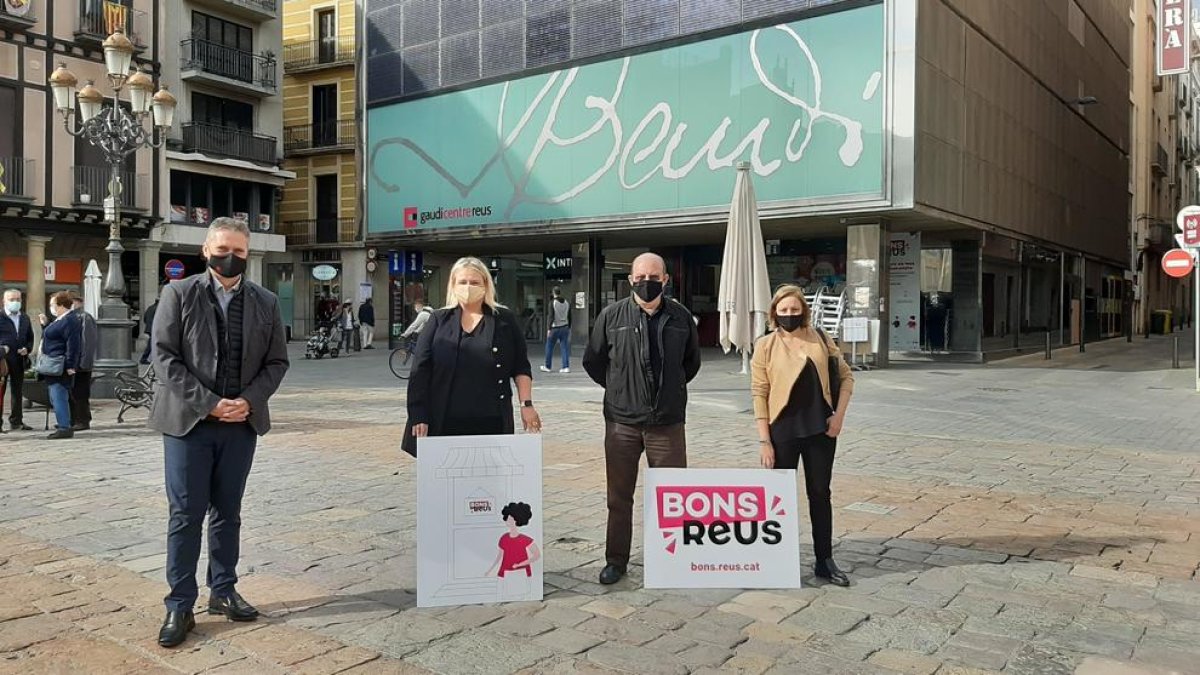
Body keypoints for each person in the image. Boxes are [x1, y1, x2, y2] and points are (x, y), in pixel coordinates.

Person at [149, 218, 289, 648]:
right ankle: (180, 603)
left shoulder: (265, 301)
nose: (232, 257)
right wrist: (210, 403)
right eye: (225, 248)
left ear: (248, 255)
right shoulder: (179, 293)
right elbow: (164, 357)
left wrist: (248, 400)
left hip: (240, 425)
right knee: (185, 514)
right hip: (189, 424)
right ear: (207, 250)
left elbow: (277, 363)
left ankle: (223, 590)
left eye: (241, 252)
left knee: (229, 511)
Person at [583, 252, 701, 585]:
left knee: (673, 496)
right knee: (619, 497)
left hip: (667, 423)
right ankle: (615, 560)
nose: (645, 282)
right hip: (622, 422)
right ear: (630, 279)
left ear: (665, 279)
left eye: (653, 276)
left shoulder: (680, 318)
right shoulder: (611, 316)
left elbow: (690, 365)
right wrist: (621, 388)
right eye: (639, 276)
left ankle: (672, 559)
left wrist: (670, 391)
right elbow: (593, 361)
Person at [751, 285, 855, 587]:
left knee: (820, 494)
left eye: (794, 310)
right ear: (774, 313)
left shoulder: (821, 339)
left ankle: (824, 559)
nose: (789, 315)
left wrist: (839, 417)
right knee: (777, 499)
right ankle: (776, 559)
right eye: (783, 311)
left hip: (821, 429)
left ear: (804, 311)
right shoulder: (766, 345)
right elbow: (759, 392)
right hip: (782, 430)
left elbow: (847, 376)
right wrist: (764, 440)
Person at [402, 257, 540, 456]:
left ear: (486, 285)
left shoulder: (504, 320)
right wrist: (418, 415)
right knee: (446, 481)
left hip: (492, 419)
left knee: (491, 480)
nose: (468, 287)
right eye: (463, 282)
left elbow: (520, 367)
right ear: (453, 285)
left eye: (475, 282)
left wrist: (526, 404)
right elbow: (419, 373)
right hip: (445, 419)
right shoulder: (438, 320)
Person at [38, 292, 81, 440]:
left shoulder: (70, 320)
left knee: (58, 395)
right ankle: (63, 424)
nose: (51, 307)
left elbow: (73, 344)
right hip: (52, 362)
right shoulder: (60, 320)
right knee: (55, 396)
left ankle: (64, 427)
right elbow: (52, 337)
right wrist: (46, 325)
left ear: (62, 305)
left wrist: (70, 365)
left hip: (59, 364)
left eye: (53, 305)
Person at [487, 502, 541, 601]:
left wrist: (520, 564)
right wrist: (491, 570)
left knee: (522, 595)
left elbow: (537, 555)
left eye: (509, 518)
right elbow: (499, 557)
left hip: (521, 573)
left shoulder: (525, 539)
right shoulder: (504, 538)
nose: (507, 520)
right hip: (505, 572)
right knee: (505, 595)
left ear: (516, 520)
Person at [0, 289, 35, 432]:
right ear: (4, 301)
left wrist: (27, 348)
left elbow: (29, 338)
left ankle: (16, 421)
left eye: (18, 299)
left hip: (18, 359)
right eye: (12, 299)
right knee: (0, 392)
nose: (16, 302)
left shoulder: (25, 318)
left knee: (17, 391)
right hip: (2, 360)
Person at [69, 294, 99, 431]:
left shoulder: (85, 317)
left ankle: (82, 420)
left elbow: (88, 342)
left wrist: (84, 363)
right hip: (72, 362)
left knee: (80, 393)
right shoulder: (71, 317)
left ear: (77, 302)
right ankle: (72, 419)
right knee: (72, 393)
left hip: (81, 364)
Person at [540, 287, 571, 374]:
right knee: (564, 347)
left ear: (553, 293)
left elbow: (551, 316)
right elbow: (570, 316)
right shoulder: (566, 302)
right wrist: (569, 326)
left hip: (555, 328)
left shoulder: (552, 303)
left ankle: (548, 366)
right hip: (565, 327)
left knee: (549, 346)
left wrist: (549, 328)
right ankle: (566, 367)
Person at [140, 286, 164, 365]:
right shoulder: (159, 308)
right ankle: (144, 358)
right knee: (152, 345)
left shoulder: (150, 307)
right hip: (155, 329)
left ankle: (149, 358)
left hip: (150, 328)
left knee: (152, 344)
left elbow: (145, 318)